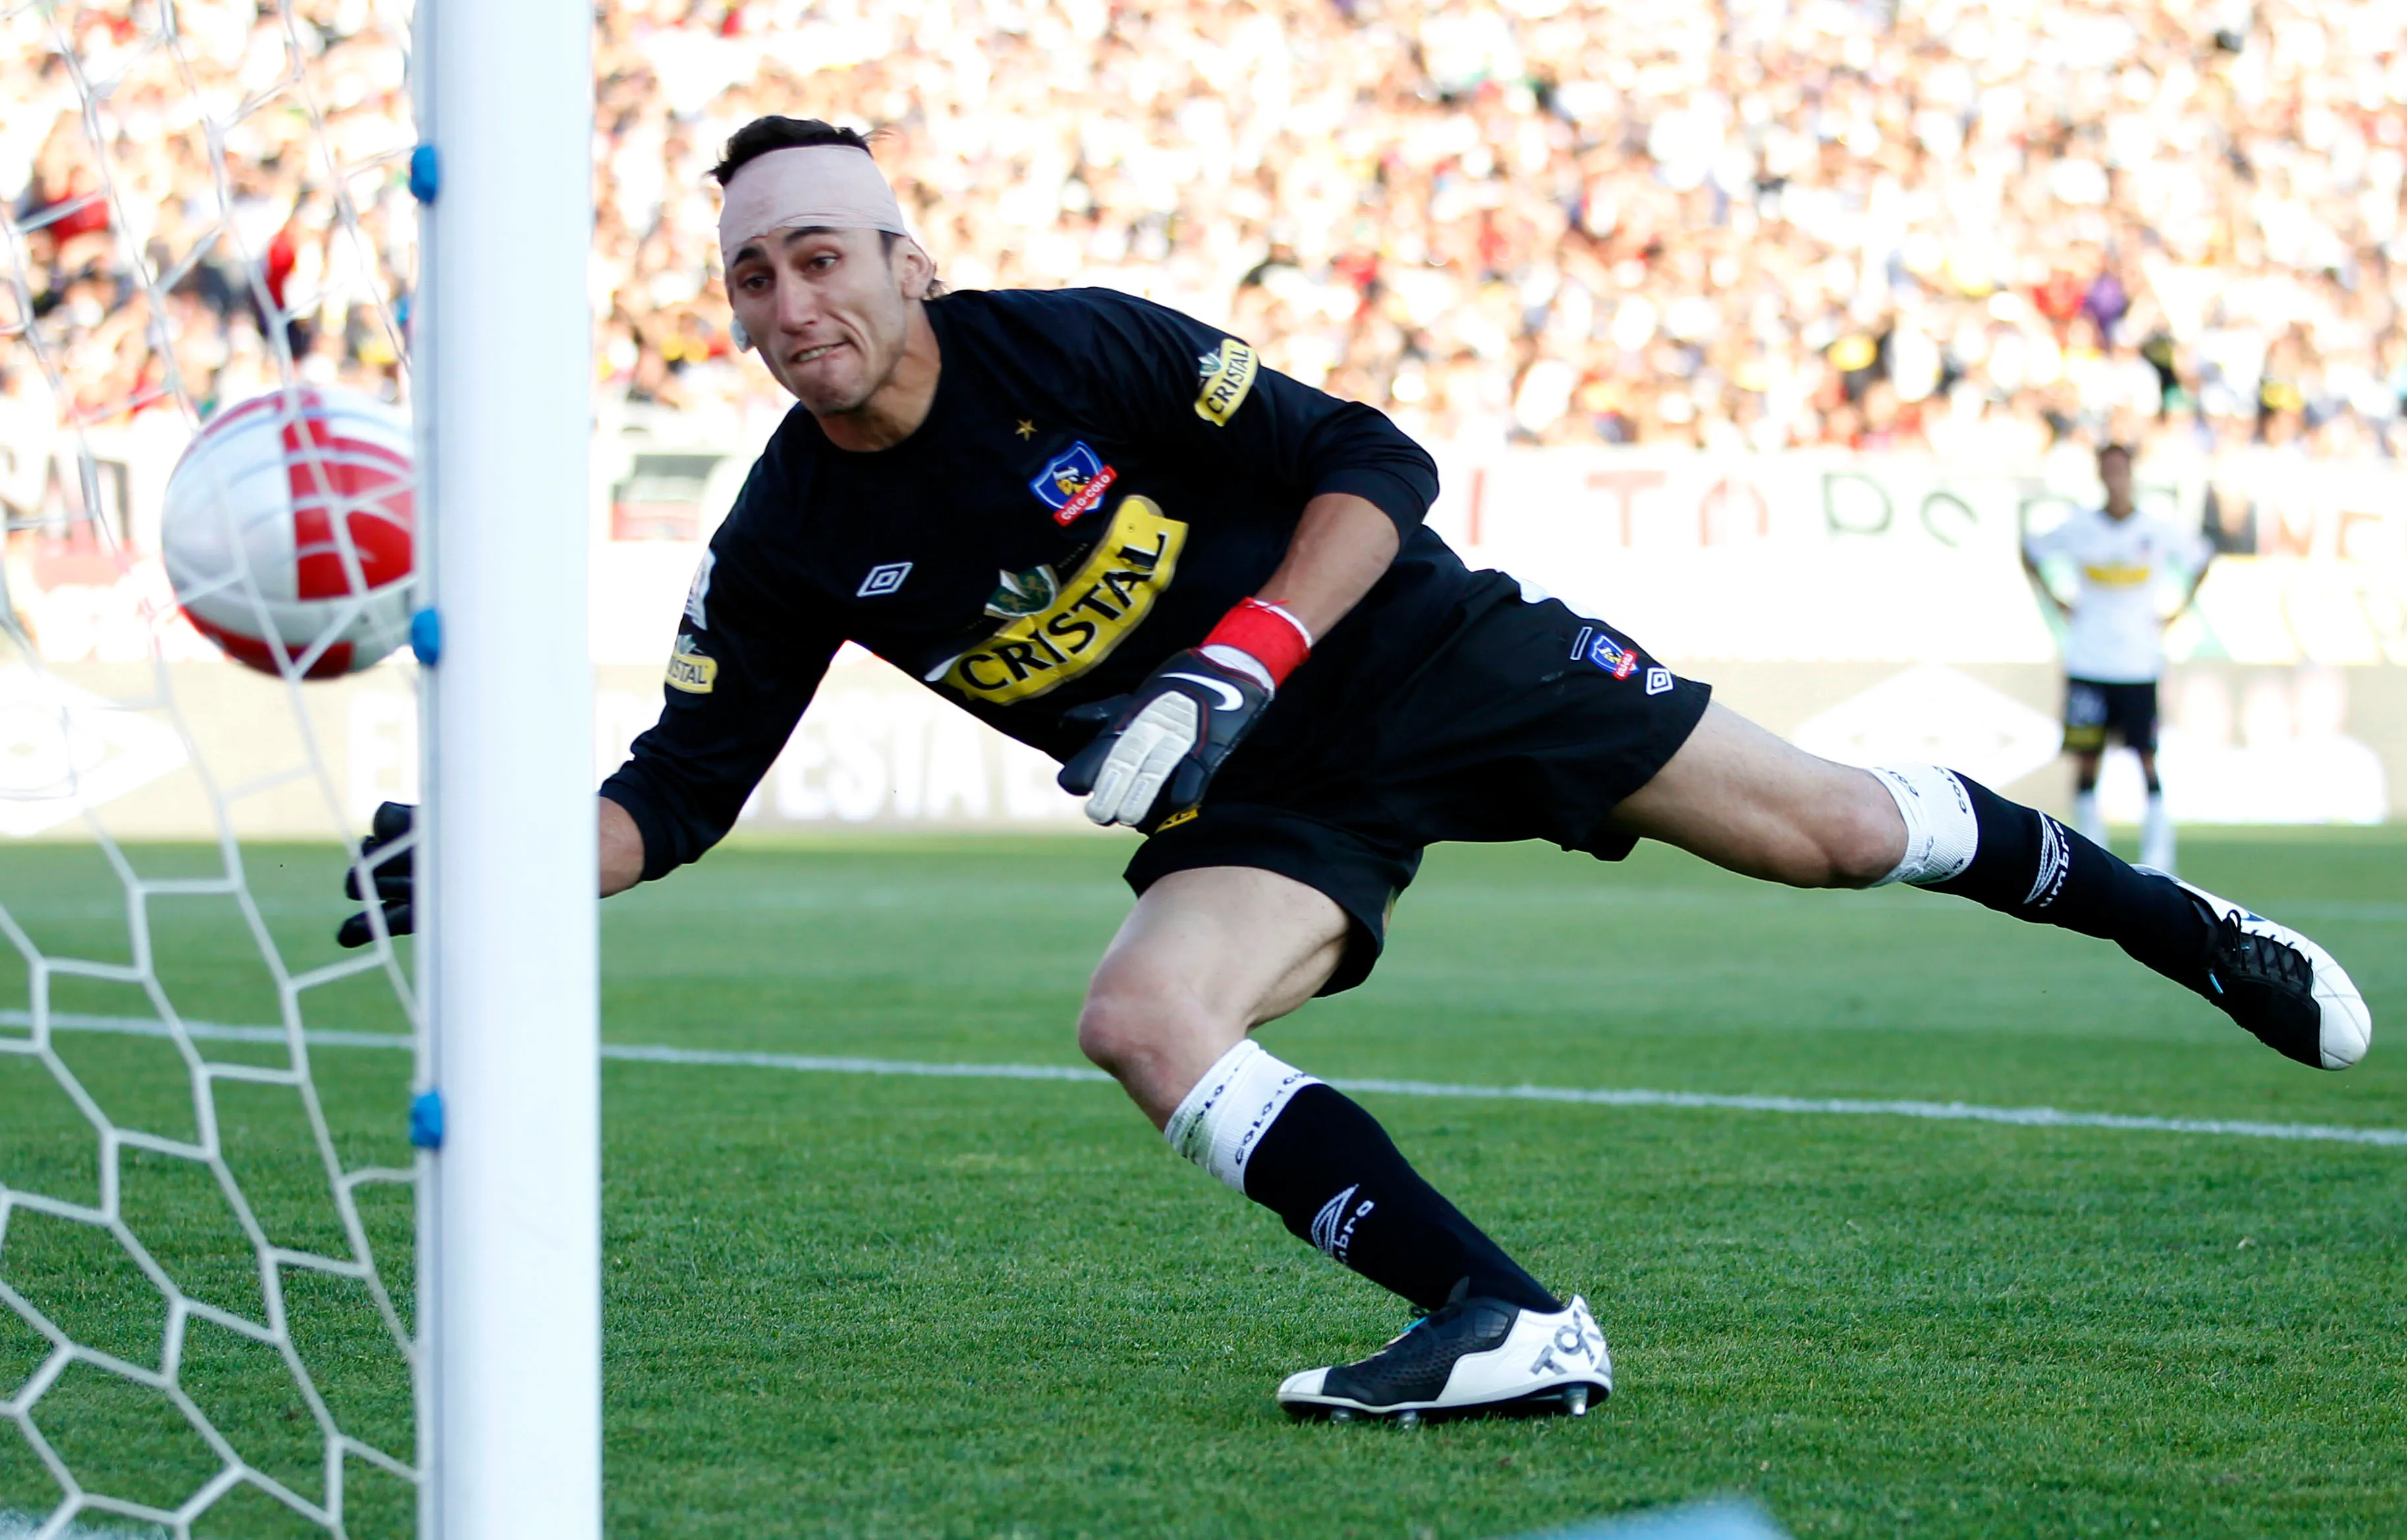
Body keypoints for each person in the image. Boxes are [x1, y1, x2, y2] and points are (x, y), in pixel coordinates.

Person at [340, 121, 2370, 1425]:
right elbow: (677, 786)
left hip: (1420, 650)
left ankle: (2189, 925)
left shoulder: (1077, 346)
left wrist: (1237, 660)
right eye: (752, 280)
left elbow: (1372, 464)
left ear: (902, 254)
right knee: (1140, 1013)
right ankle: (1505, 1319)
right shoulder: (784, 535)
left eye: (820, 256)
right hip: (1267, 799)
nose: (794, 305)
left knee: (1839, 832)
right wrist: (502, 853)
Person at [2021, 443, 2213, 873]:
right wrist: (2055, 602)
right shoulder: (2079, 528)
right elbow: (2030, 550)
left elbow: (2203, 556)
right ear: (2099, 475)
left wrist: (2178, 610)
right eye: (2107, 470)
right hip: (2088, 660)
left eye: (2121, 470)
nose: (2115, 478)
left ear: (2132, 475)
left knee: (2146, 754)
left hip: (2137, 662)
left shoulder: (2157, 530)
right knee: (2088, 757)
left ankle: (2159, 852)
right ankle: (2089, 852)